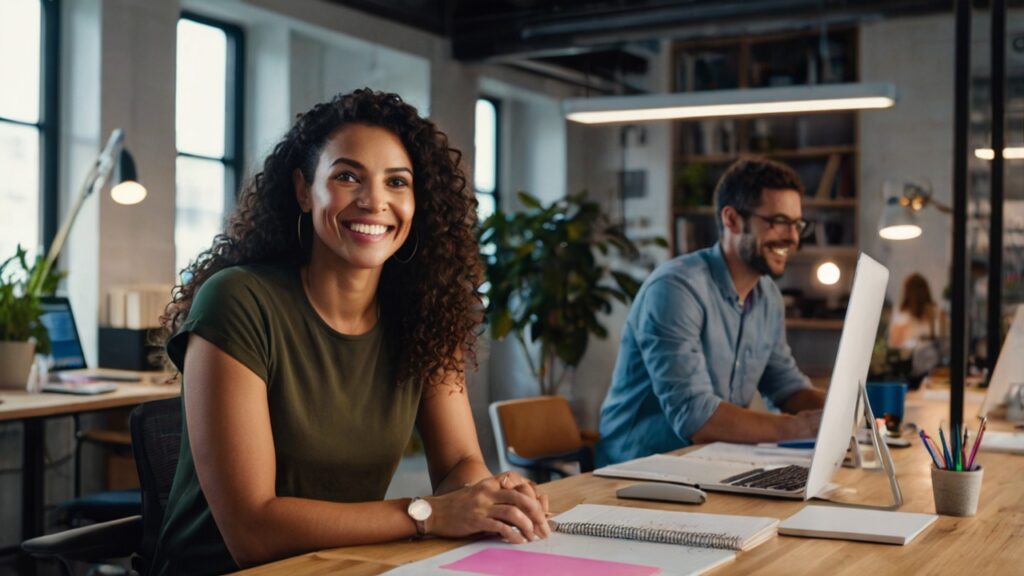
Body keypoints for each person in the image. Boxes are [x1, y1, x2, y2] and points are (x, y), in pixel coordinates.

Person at [151, 89, 549, 575]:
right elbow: (252, 532)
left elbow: (458, 463)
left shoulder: (424, 312)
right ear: (304, 189)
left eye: (397, 182)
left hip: (343, 566)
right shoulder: (237, 301)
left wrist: (489, 499)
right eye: (346, 176)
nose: (374, 201)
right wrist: (427, 514)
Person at [597, 158, 826, 466]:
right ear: (732, 220)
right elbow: (696, 417)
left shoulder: (768, 295)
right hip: (638, 467)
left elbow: (785, 386)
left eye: (797, 224)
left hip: (712, 462)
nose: (792, 237)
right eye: (777, 221)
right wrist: (801, 428)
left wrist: (844, 413)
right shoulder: (675, 289)